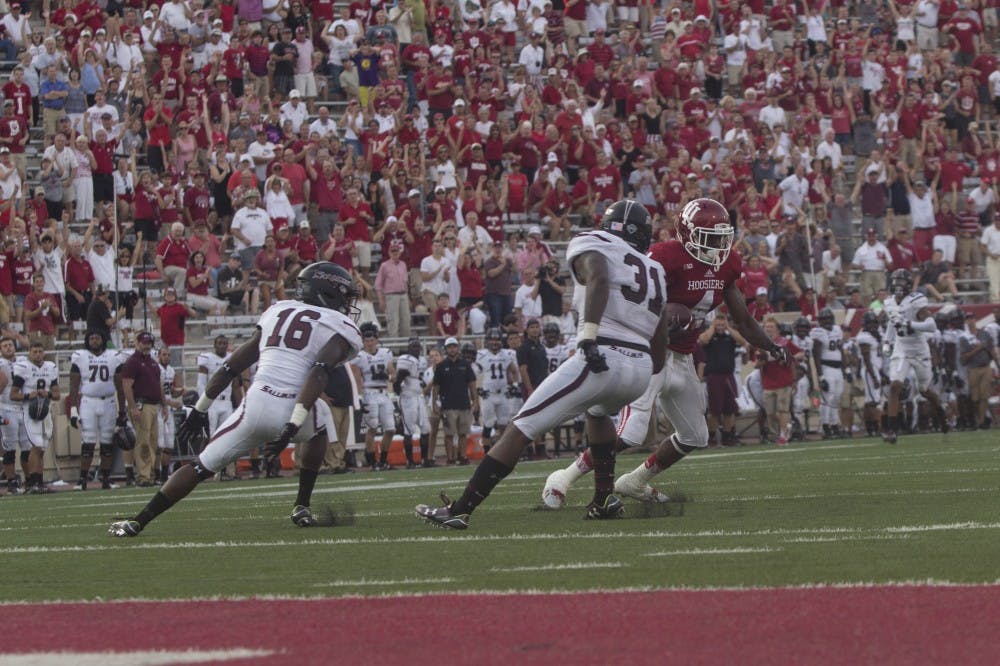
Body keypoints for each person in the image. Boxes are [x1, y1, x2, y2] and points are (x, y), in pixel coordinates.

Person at [416, 200, 670, 529]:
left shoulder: (594, 242)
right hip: (641, 367)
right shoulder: (656, 270)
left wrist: (588, 337)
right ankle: (604, 499)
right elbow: (661, 335)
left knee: (520, 428)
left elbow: (598, 276)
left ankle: (460, 509)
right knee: (598, 413)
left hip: (603, 353)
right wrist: (647, 370)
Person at [542, 199, 788, 509]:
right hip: (650, 353)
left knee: (695, 435)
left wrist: (771, 346)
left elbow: (742, 318)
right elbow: (630, 300)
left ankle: (635, 481)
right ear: (687, 233)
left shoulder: (726, 263)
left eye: (720, 238)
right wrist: (662, 318)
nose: (717, 246)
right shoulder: (664, 256)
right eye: (709, 238)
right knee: (630, 433)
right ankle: (563, 477)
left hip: (683, 358)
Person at [109, 262, 364, 537]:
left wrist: (200, 409)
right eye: (344, 296)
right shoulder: (339, 324)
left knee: (200, 467)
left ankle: (138, 521)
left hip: (255, 406)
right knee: (320, 417)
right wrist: (293, 424)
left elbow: (232, 365)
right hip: (292, 407)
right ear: (329, 292)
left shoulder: (278, 310)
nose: (347, 303)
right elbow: (319, 371)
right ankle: (301, 504)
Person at [882, 288, 948, 444]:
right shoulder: (890, 303)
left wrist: (910, 324)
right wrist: (887, 341)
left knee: (924, 390)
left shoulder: (916, 301)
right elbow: (892, 323)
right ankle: (892, 430)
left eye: (901, 283)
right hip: (901, 349)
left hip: (919, 351)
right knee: (895, 386)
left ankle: (941, 415)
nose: (898, 288)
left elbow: (931, 326)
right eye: (896, 283)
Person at [68, 330, 126, 491]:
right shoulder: (80, 356)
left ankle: (106, 479)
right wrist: (73, 409)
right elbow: (73, 385)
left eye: (97, 337)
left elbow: (120, 387)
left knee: (107, 443)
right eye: (92, 338)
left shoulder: (113, 356)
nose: (94, 341)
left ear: (103, 340)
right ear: (87, 340)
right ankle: (82, 479)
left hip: (108, 402)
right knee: (88, 442)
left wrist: (122, 411)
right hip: (88, 402)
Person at [11, 341, 61, 494]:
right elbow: (13, 394)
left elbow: (57, 394)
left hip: (45, 410)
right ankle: (33, 483)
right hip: (30, 411)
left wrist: (48, 394)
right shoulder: (23, 368)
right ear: (29, 353)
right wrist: (27, 396)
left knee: (42, 448)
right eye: (34, 352)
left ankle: (39, 482)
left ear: (44, 353)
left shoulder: (50, 367)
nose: (38, 354)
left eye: (40, 351)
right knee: (36, 446)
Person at [120, 331, 165, 487]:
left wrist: (164, 405)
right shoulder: (133, 362)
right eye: (144, 343)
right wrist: (133, 407)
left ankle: (150, 474)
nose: (147, 346)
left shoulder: (153, 362)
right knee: (143, 442)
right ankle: (143, 476)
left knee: (153, 442)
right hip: (142, 404)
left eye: (149, 343)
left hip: (153, 405)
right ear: (138, 343)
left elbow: (159, 385)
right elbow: (126, 385)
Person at [352, 322, 397, 471]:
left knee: (390, 429)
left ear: (376, 340)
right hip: (369, 393)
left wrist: (387, 377)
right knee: (372, 428)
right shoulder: (360, 356)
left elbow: (394, 375)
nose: (369, 343)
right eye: (367, 341)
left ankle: (383, 461)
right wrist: (360, 399)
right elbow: (357, 379)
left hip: (384, 393)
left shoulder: (385, 353)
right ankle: (372, 462)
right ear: (363, 342)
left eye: (372, 340)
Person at [698, 313, 746, 446]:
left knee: (729, 409)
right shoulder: (709, 336)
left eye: (722, 324)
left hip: (728, 376)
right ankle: (711, 437)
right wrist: (713, 327)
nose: (720, 327)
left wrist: (728, 327)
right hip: (714, 376)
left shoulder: (729, 337)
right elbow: (703, 340)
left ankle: (727, 436)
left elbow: (742, 341)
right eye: (718, 324)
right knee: (715, 409)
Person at [756, 317, 804, 446]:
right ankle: (785, 427)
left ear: (777, 329)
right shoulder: (761, 344)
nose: (768, 329)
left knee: (783, 409)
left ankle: (783, 435)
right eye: (766, 327)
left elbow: (800, 354)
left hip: (783, 381)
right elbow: (756, 364)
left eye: (771, 327)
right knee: (770, 413)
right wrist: (763, 360)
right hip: (768, 382)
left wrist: (788, 357)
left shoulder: (784, 342)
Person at [431, 337, 478, 466]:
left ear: (457, 348)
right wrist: (434, 403)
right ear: (446, 349)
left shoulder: (465, 364)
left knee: (463, 433)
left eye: (454, 346)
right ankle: (450, 458)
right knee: (449, 434)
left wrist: (475, 400)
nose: (452, 349)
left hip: (464, 403)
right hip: (448, 405)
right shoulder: (441, 366)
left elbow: (472, 384)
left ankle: (462, 456)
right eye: (449, 347)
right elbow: (436, 386)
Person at [474, 327, 519, 453]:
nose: (495, 342)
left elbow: (514, 371)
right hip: (488, 395)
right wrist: (478, 388)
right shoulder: (481, 355)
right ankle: (487, 452)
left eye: (497, 339)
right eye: (492, 339)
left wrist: (514, 386)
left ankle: (501, 451)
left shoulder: (506, 354)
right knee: (488, 424)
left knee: (503, 424)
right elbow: (475, 374)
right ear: (487, 341)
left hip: (503, 394)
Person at [393, 336, 429, 468]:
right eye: (413, 346)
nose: (416, 349)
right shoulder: (405, 359)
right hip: (408, 397)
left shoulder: (422, 360)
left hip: (419, 397)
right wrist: (398, 391)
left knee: (426, 428)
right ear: (408, 348)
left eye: (417, 346)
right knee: (408, 431)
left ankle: (424, 460)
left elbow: (421, 378)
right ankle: (410, 461)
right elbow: (399, 379)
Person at [811, 307, 846, 439]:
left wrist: (846, 369)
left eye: (829, 319)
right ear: (819, 321)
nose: (827, 321)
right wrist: (821, 377)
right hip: (826, 368)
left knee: (836, 399)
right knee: (827, 399)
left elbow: (841, 349)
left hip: (838, 369)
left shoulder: (837, 329)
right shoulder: (818, 332)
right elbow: (816, 355)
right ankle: (826, 427)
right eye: (824, 319)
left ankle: (835, 425)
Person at [0, 337, 28, 494]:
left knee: (27, 446)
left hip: (24, 407)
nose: (8, 348)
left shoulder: (24, 361)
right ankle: (11, 483)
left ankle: (30, 481)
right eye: (4, 346)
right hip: (7, 408)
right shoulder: (0, 363)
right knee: (9, 447)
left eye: (10, 345)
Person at [155, 345, 185, 484]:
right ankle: (156, 474)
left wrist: (179, 392)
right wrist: (170, 402)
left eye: (168, 355)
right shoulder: (155, 369)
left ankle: (163, 476)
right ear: (158, 356)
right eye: (164, 354)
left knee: (169, 444)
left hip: (168, 409)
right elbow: (156, 392)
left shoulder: (171, 370)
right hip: (158, 408)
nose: (166, 357)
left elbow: (170, 391)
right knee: (159, 444)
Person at [856, 311, 886, 438]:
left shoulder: (877, 335)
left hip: (875, 369)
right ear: (865, 324)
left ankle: (870, 428)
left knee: (870, 401)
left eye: (874, 323)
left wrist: (881, 373)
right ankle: (877, 427)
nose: (873, 326)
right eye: (870, 323)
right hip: (870, 371)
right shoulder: (864, 337)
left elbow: (877, 357)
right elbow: (867, 359)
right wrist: (874, 377)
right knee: (874, 401)